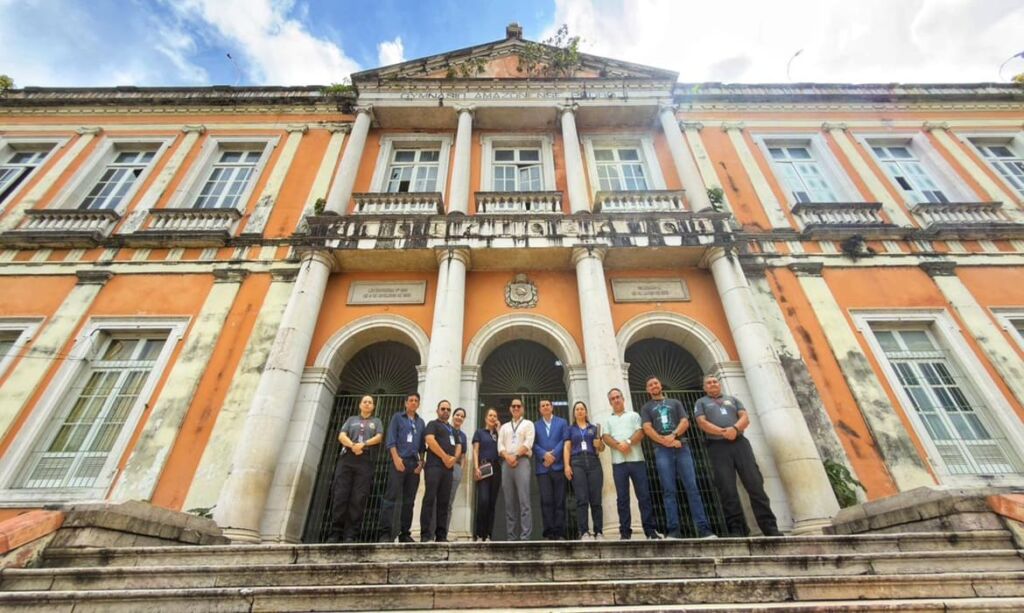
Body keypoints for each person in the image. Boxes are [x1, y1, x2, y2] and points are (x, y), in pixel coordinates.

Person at [695, 374, 783, 538]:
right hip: (717, 446)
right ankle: (737, 529)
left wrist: (734, 430)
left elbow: (745, 417)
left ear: (719, 384)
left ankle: (769, 527)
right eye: (709, 383)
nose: (713, 384)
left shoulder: (733, 400)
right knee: (726, 488)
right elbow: (701, 422)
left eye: (715, 381)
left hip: (740, 444)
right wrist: (723, 432)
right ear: (704, 387)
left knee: (755, 484)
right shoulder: (701, 402)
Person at [640, 376, 716, 539]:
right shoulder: (646, 407)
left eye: (655, 383)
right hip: (662, 450)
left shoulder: (675, 403)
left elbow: (685, 421)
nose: (653, 386)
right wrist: (665, 441)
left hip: (682, 447)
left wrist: (673, 436)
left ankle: (704, 529)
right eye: (650, 385)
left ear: (660, 385)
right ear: (647, 390)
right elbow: (647, 428)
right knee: (668, 491)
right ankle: (673, 530)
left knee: (692, 488)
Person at [601, 388, 660, 540]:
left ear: (623, 398)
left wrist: (627, 442)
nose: (616, 400)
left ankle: (650, 530)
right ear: (610, 402)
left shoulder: (634, 415)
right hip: (618, 463)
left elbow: (641, 432)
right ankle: (625, 532)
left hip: (637, 460)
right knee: (622, 498)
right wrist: (618, 445)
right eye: (613, 398)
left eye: (618, 397)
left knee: (644, 496)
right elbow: (605, 437)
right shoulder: (608, 420)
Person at [327, 394, 384, 543]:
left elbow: (379, 437)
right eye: (364, 402)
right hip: (347, 458)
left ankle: (350, 534)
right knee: (341, 494)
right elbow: (341, 436)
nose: (367, 404)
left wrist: (363, 445)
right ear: (360, 405)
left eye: (370, 402)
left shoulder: (376, 421)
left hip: (365, 459)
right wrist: (353, 446)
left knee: (358, 497)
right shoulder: (351, 420)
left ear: (373, 406)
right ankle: (335, 532)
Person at [378, 392, 426, 543]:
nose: (413, 402)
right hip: (399, 461)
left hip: (414, 465)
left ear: (418, 404)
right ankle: (385, 533)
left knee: (409, 501)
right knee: (391, 497)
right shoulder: (397, 418)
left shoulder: (421, 422)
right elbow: (391, 439)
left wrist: (421, 463)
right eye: (410, 400)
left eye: (416, 401)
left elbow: (422, 447)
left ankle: (404, 533)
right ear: (406, 403)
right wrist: (396, 459)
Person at [563, 400, 605, 541]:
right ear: (574, 413)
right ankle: (584, 531)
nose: (580, 411)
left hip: (593, 462)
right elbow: (567, 448)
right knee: (581, 498)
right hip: (577, 462)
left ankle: (599, 531)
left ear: (586, 412)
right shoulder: (570, 429)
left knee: (596, 499)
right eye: (577, 409)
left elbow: (601, 448)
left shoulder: (593, 428)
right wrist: (567, 466)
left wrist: (600, 445)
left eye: (582, 409)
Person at [421, 400, 460, 542]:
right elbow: (430, 440)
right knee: (430, 499)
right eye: (443, 409)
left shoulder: (452, 430)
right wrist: (444, 457)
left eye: (448, 409)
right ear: (437, 410)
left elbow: (458, 447)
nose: (446, 411)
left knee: (444, 502)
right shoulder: (432, 424)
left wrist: (453, 460)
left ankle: (441, 535)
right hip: (434, 467)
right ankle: (425, 535)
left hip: (448, 469)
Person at [497, 398, 535, 541]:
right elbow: (500, 445)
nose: (516, 408)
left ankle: (525, 535)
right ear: (510, 409)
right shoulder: (504, 427)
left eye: (519, 406)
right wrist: (508, 456)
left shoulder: (528, 424)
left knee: (524, 500)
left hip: (522, 462)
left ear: (523, 409)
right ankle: (511, 536)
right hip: (506, 464)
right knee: (509, 501)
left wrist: (516, 455)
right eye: (513, 406)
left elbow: (528, 442)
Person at [533, 399, 569, 540]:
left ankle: (559, 532)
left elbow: (565, 440)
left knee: (559, 500)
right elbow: (533, 444)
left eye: (547, 405)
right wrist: (544, 455)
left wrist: (553, 455)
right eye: (542, 406)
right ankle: (548, 532)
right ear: (539, 409)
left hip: (558, 465)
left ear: (552, 407)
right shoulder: (535, 425)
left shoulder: (562, 422)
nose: (545, 407)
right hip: (543, 468)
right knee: (546, 501)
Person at [472, 407, 502, 541]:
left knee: (492, 503)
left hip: (496, 468)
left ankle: (488, 534)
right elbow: (475, 451)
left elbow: (503, 447)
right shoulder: (479, 432)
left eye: (495, 416)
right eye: (490, 415)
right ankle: (479, 534)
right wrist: (476, 467)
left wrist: (500, 430)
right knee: (483, 500)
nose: (493, 418)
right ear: (485, 418)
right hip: (483, 467)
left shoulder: (498, 434)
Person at [445, 407, 468, 534]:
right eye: (457, 415)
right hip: (443, 466)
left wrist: (461, 469)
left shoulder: (463, 436)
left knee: (449, 502)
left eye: (462, 416)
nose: (459, 417)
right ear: (453, 416)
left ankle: (445, 531)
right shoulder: (445, 429)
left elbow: (463, 455)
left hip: (456, 468)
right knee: (438, 499)